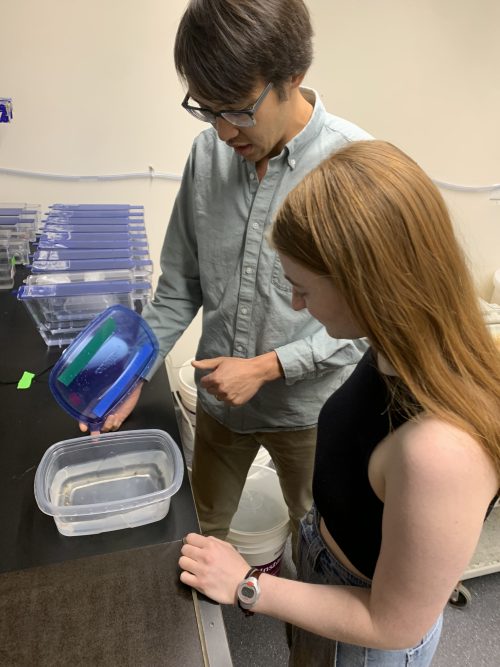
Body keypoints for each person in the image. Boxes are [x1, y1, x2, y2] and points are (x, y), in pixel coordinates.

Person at [178, 140, 500, 666]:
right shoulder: (394, 350)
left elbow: (394, 623)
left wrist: (247, 584)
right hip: (326, 569)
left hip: (365, 632)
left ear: (368, 287)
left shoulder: (441, 452)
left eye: (302, 289)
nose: (296, 304)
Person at [80, 0, 371, 554]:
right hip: (220, 402)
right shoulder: (207, 154)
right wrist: (133, 373)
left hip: (308, 414)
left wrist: (265, 368)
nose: (220, 129)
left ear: (294, 76)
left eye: (237, 109)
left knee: (318, 550)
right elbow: (178, 288)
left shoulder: (352, 166)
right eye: (205, 109)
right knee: (200, 531)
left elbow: (367, 320)